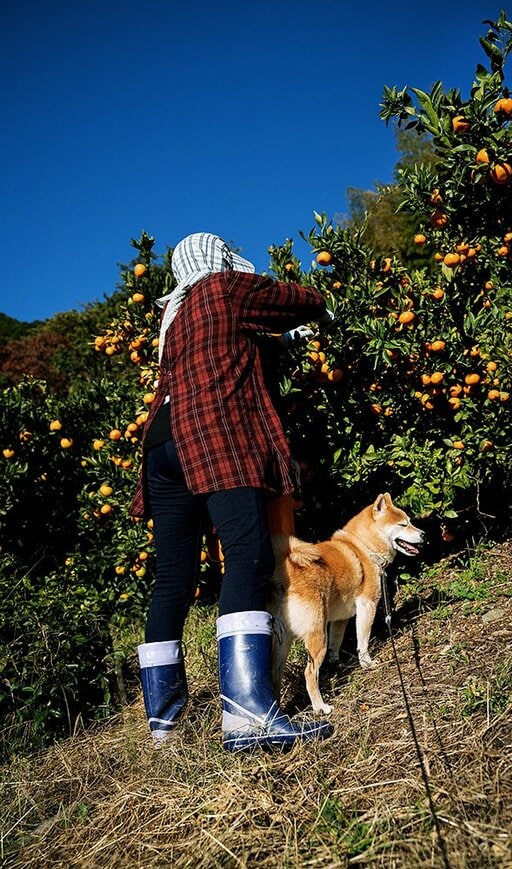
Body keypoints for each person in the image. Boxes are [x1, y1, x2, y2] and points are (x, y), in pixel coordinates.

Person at [130, 232, 334, 752]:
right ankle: (248, 717)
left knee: (173, 577)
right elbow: (305, 300)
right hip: (213, 434)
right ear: (218, 258)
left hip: (160, 444)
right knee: (248, 554)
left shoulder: (172, 315)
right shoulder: (226, 287)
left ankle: (164, 727)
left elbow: (225, 353)